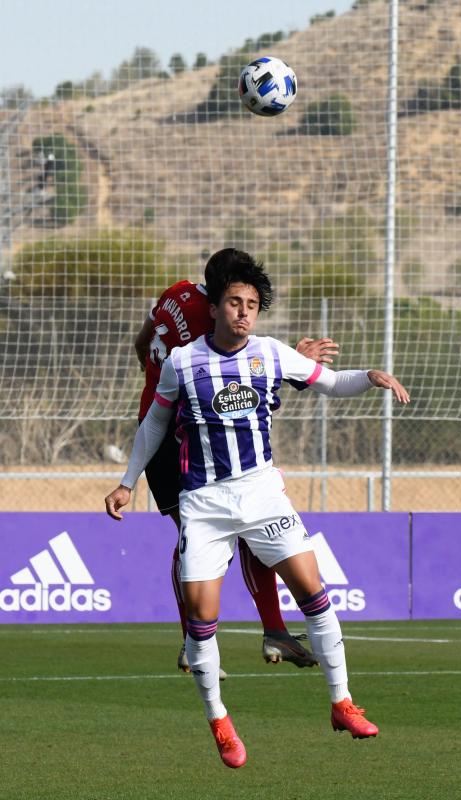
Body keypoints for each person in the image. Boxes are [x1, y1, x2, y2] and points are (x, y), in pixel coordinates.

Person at [106, 249, 410, 769]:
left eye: (251, 304)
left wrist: (371, 376)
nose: (243, 312)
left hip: (263, 494)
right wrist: (126, 482)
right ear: (216, 306)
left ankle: (341, 703)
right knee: (203, 618)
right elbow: (155, 423)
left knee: (314, 593)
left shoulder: (271, 353)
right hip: (204, 501)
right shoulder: (184, 362)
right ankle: (220, 722)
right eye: (234, 303)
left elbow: (331, 381)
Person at [132, 261, 339, 675]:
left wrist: (151, 379)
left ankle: (273, 631)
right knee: (198, 536)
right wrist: (294, 369)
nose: (242, 309)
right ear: (218, 296)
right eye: (234, 296)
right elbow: (228, 381)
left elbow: (143, 342)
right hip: (179, 441)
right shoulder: (201, 320)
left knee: (250, 528)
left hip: (178, 431)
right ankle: (194, 641)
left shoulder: (178, 292)